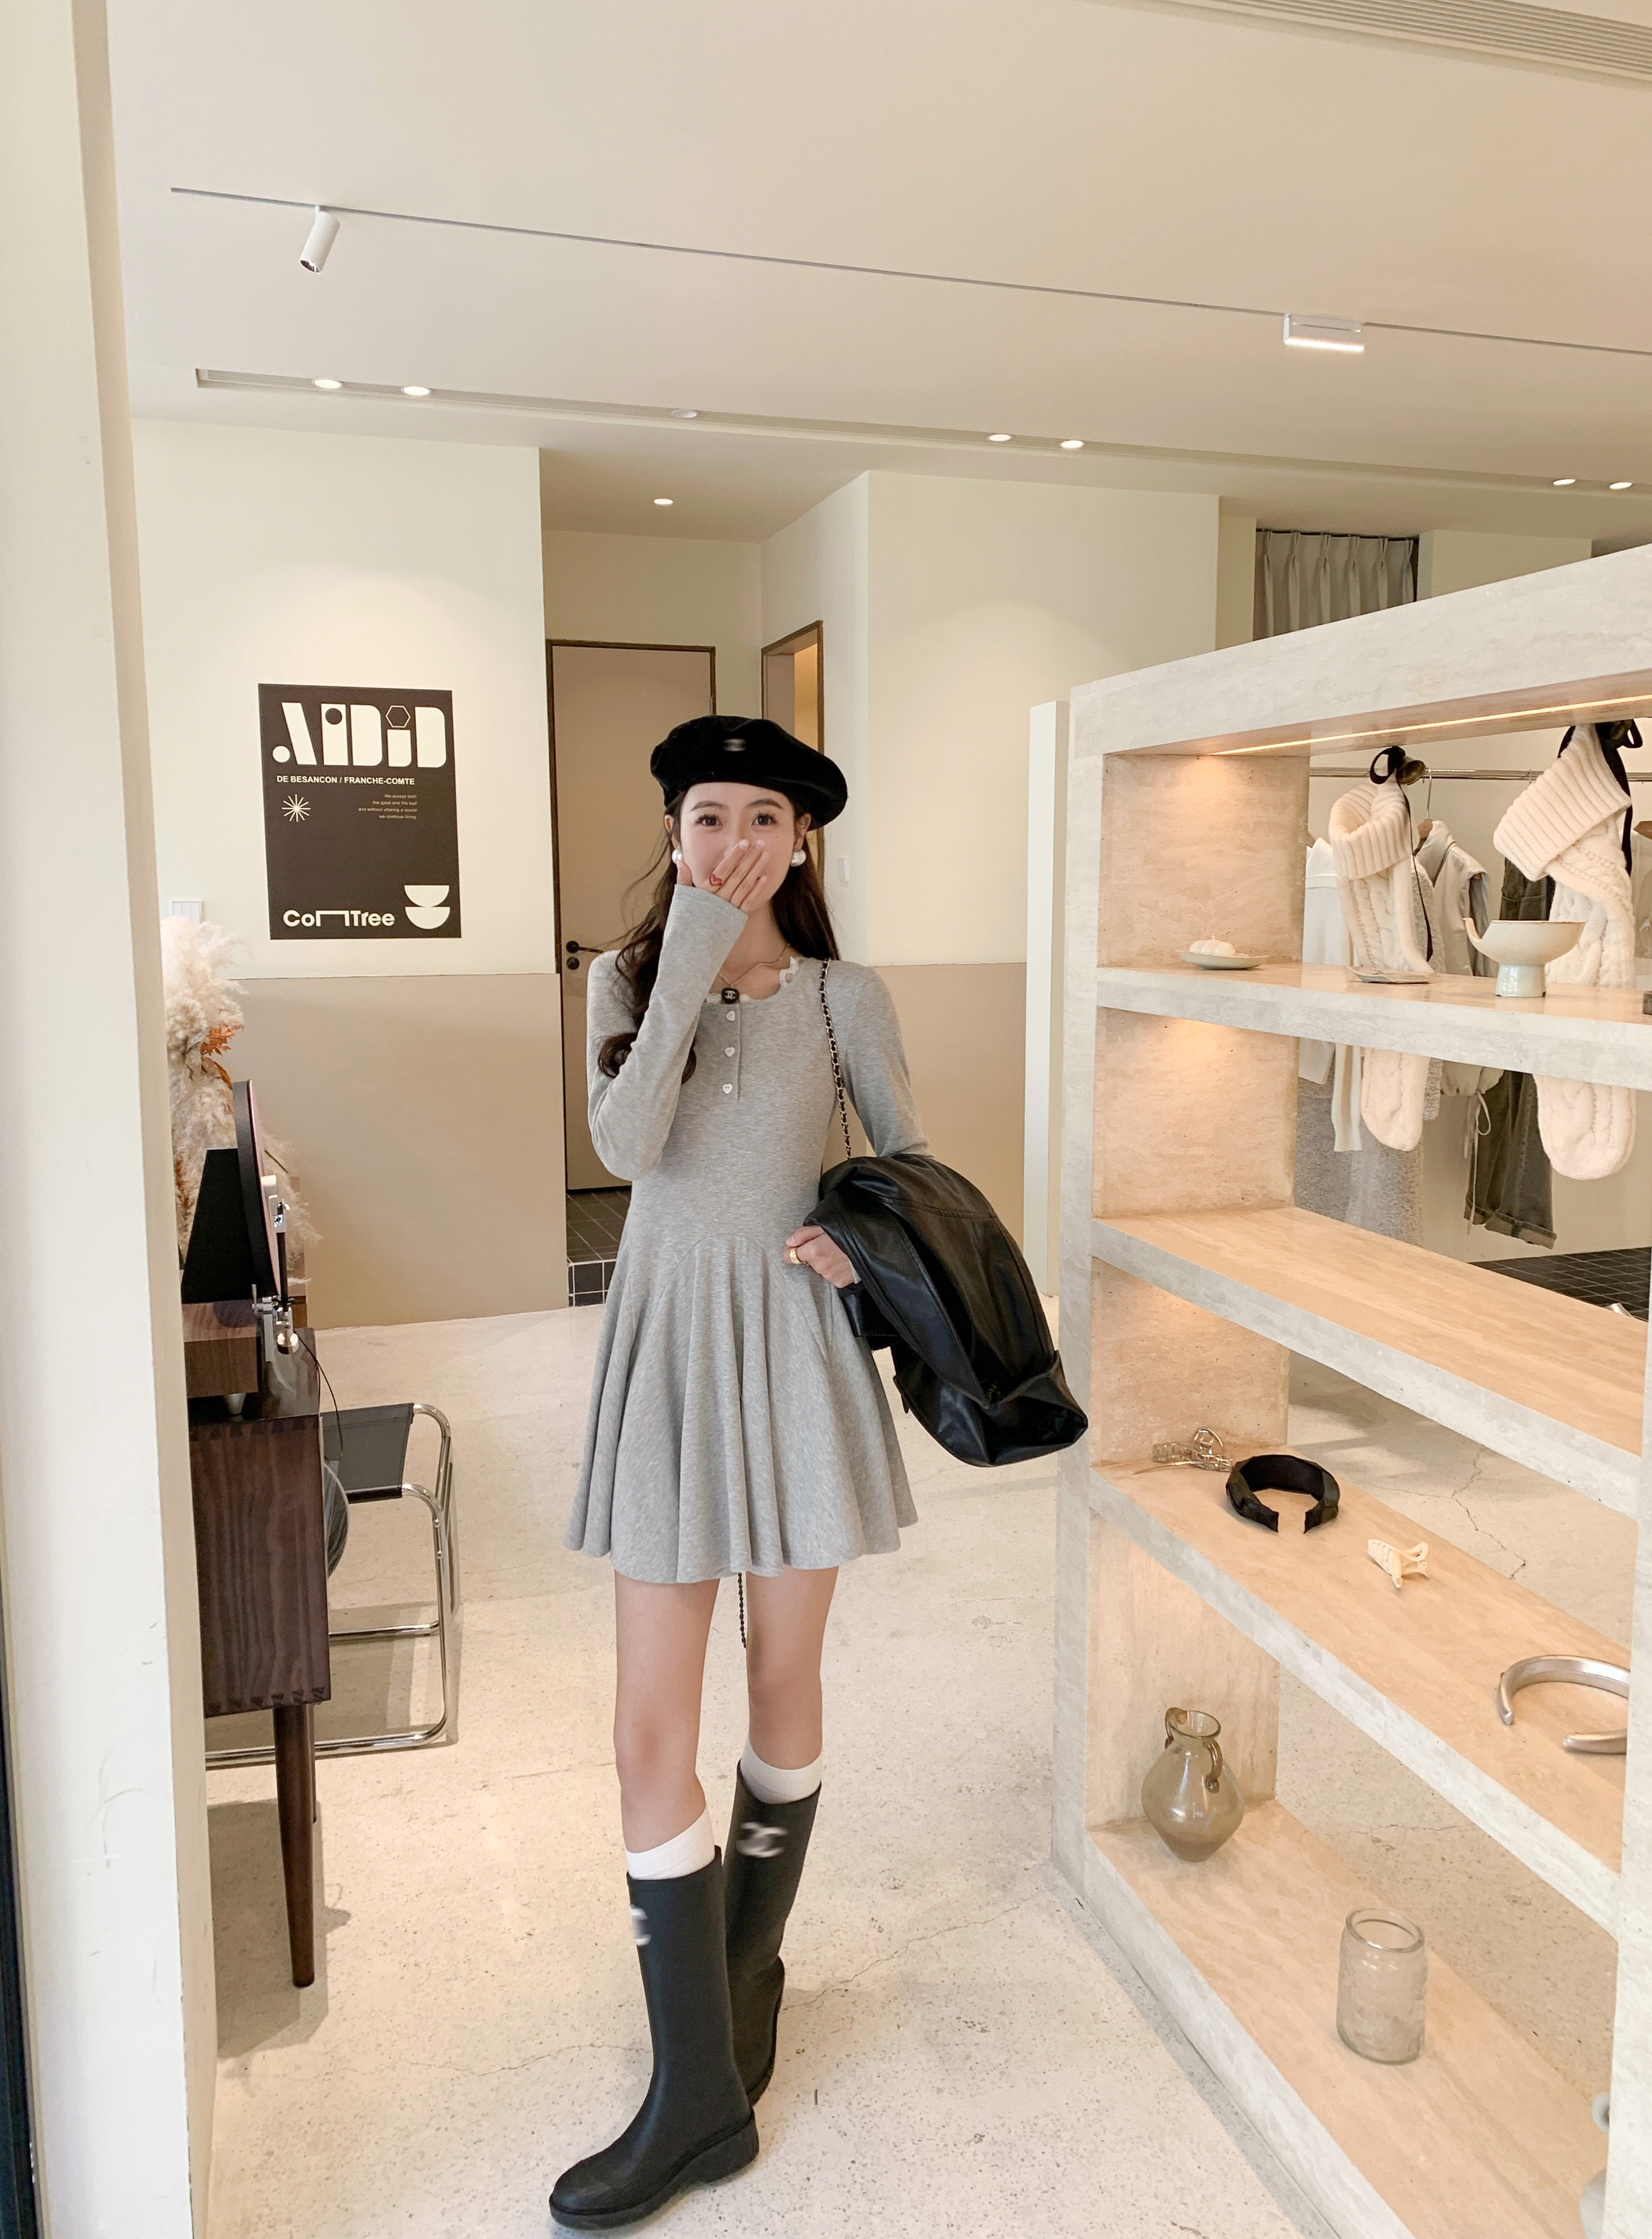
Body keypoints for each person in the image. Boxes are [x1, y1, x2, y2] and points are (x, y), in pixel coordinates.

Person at [551, 714, 926, 2230]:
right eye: (707, 815)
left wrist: (862, 1240)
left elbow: (910, 1169)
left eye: (762, 817)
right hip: (666, 1357)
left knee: (784, 1679)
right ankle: (699, 2092)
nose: (733, 841)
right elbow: (627, 1148)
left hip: (794, 1358)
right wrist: (693, 954)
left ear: (801, 838)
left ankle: (746, 1976)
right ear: (674, 832)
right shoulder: (624, 980)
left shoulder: (845, 994)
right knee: (647, 1723)